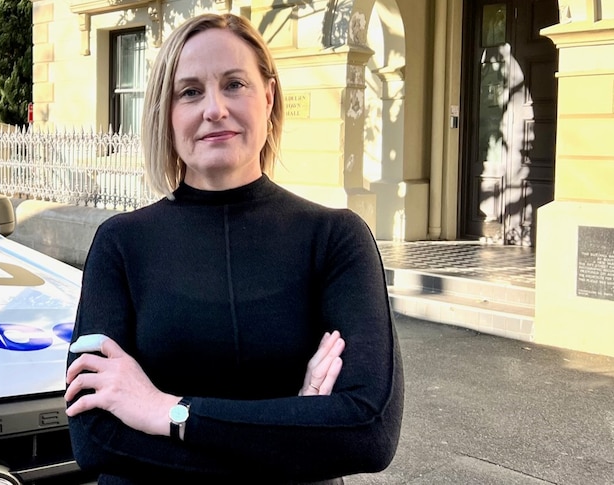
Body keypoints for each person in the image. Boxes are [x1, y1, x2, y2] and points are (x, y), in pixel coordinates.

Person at [64, 12, 403, 484]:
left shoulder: (335, 239)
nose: (214, 109)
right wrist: (293, 432)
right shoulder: (120, 244)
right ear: (167, 112)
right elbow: (95, 438)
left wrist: (166, 411)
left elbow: (366, 431)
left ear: (268, 96)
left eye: (234, 84)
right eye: (190, 91)